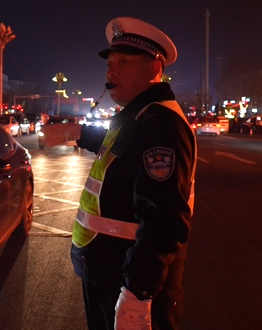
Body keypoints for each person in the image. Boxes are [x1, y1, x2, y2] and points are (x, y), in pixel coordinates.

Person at [70, 17, 197, 330]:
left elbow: (165, 217)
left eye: (124, 61)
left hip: (125, 280)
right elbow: (123, 151)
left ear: (154, 69)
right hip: (108, 271)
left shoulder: (160, 124)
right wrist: (76, 133)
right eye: (110, 63)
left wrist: (138, 293)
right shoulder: (139, 117)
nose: (111, 71)